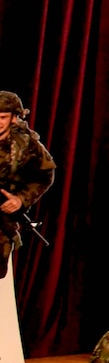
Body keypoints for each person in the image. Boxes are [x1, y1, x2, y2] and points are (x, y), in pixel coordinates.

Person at [0, 91, 56, 280]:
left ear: (14, 118)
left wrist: (21, 199)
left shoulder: (25, 144)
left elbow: (45, 174)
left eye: (2, 117)